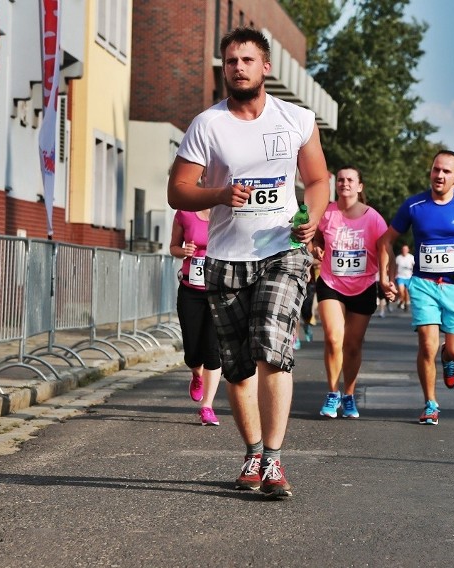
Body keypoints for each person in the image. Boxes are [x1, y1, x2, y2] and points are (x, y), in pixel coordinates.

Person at [167, 27, 329, 498]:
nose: (238, 67)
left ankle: (275, 463)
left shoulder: (296, 119)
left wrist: (312, 220)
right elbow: (177, 190)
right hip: (226, 257)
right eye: (231, 61)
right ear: (224, 67)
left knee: (271, 347)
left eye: (247, 60)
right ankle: (254, 451)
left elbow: (317, 180)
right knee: (237, 366)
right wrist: (218, 193)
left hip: (282, 250)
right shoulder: (207, 125)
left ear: (266, 67)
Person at [378, 150, 454, 425]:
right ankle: (430, 404)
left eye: (446, 171)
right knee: (426, 345)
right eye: (436, 169)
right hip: (423, 284)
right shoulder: (414, 205)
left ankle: (449, 356)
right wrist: (384, 275)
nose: (439, 175)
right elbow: (385, 240)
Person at [312, 166, 388, 419]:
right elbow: (316, 237)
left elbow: (385, 248)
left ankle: (349, 395)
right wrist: (316, 248)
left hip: (364, 285)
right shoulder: (327, 212)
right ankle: (333, 393)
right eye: (341, 180)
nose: (344, 183)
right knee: (334, 338)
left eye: (350, 180)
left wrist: (387, 280)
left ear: (359, 186)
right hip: (331, 282)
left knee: (353, 345)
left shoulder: (373, 218)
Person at [169, 209, 222, 426]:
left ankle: (207, 407)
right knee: (192, 350)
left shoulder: (226, 211)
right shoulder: (185, 213)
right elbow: (173, 247)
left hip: (218, 290)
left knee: (212, 350)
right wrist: (184, 251)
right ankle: (196, 374)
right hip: (190, 290)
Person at [394, 244, 415, 311]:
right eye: (403, 249)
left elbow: (414, 266)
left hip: (409, 277)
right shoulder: (398, 258)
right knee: (401, 291)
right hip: (400, 276)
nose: (404, 250)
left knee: (406, 292)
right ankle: (401, 300)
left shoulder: (411, 257)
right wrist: (394, 275)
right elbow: (395, 267)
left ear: (408, 250)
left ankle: (405, 304)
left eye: (406, 249)